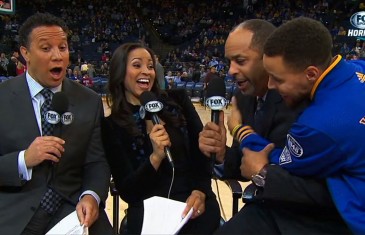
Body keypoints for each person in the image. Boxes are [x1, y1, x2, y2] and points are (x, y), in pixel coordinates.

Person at [199, 19, 350, 234]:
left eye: (240, 60)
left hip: (315, 221)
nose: (231, 70)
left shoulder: (308, 102)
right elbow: (248, 163)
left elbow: (329, 190)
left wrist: (262, 172)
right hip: (267, 208)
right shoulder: (244, 98)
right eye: (229, 61)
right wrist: (222, 153)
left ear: (268, 58)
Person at [0, 12, 113, 235]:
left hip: (73, 207)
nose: (57, 56)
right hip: (14, 210)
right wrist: (24, 159)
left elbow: (97, 162)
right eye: (46, 48)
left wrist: (91, 196)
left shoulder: (89, 100)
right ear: (25, 53)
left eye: (62, 47)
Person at [101, 42, 221, 234]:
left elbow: (202, 156)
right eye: (137, 65)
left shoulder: (178, 100)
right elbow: (128, 191)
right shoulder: (111, 125)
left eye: (150, 66)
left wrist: (201, 191)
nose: (146, 72)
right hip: (149, 212)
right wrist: (155, 158)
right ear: (120, 72)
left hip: (193, 202)